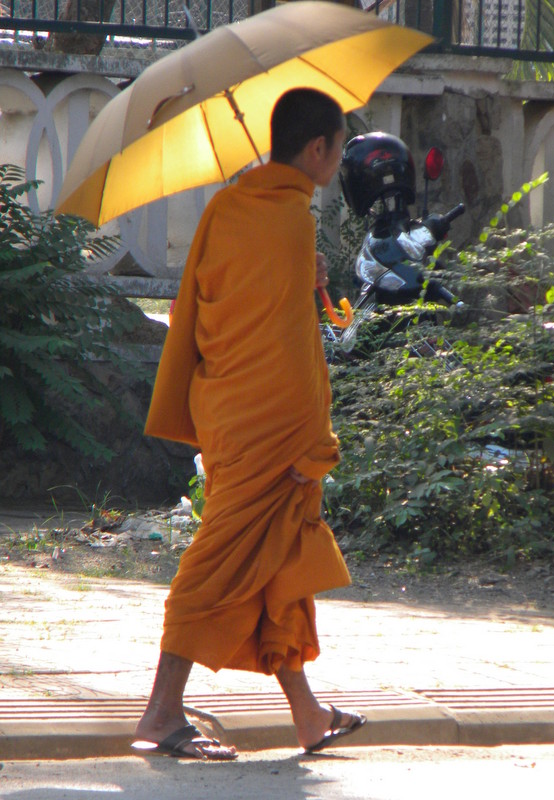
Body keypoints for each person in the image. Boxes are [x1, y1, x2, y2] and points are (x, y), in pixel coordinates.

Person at [134, 88, 366, 760]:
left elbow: (209, 304)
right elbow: (294, 349)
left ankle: (306, 715)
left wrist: (302, 276)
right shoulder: (289, 218)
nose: (337, 159)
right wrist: (312, 439)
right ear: (317, 148)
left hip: (227, 413)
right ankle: (159, 713)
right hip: (273, 425)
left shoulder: (229, 207)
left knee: (273, 560)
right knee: (218, 562)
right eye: (339, 146)